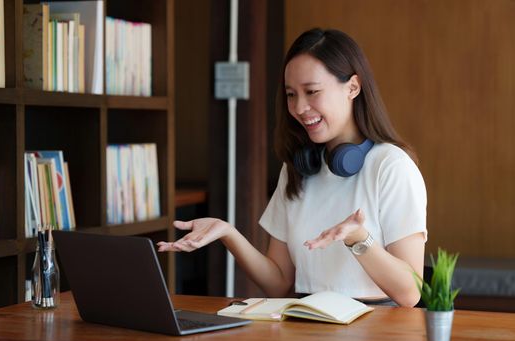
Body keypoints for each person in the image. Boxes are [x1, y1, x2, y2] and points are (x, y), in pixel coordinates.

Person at [158, 28, 427, 307]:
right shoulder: (298, 169)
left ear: (353, 87)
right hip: (309, 321)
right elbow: (278, 282)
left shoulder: (392, 166)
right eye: (290, 94)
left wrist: (358, 238)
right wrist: (227, 232)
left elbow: (409, 293)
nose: (299, 107)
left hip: (378, 328)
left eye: (312, 92)